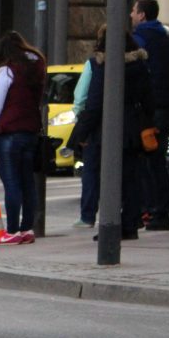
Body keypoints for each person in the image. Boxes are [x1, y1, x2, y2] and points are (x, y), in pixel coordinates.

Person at [69, 24, 154, 242]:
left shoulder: (104, 65)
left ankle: (109, 224)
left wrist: (78, 135)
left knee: (105, 177)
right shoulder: (140, 65)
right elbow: (149, 100)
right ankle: (130, 224)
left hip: (106, 130)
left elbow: (94, 103)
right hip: (133, 129)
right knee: (131, 179)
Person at [0, 31, 47, 245]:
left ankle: (12, 230)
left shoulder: (6, 71)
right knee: (27, 182)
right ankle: (27, 229)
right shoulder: (36, 69)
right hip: (30, 133)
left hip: (8, 135)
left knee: (11, 183)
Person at [130, 0, 169, 230]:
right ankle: (158, 211)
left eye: (134, 11)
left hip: (148, 111)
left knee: (143, 160)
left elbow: (135, 73)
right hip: (168, 109)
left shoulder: (139, 39)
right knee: (157, 161)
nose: (132, 15)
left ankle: (151, 211)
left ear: (142, 15)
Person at [70, 56, 97, 228]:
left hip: (95, 124)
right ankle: (130, 217)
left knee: (92, 171)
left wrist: (80, 118)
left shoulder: (94, 63)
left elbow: (80, 97)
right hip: (126, 123)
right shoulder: (135, 61)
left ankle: (87, 216)